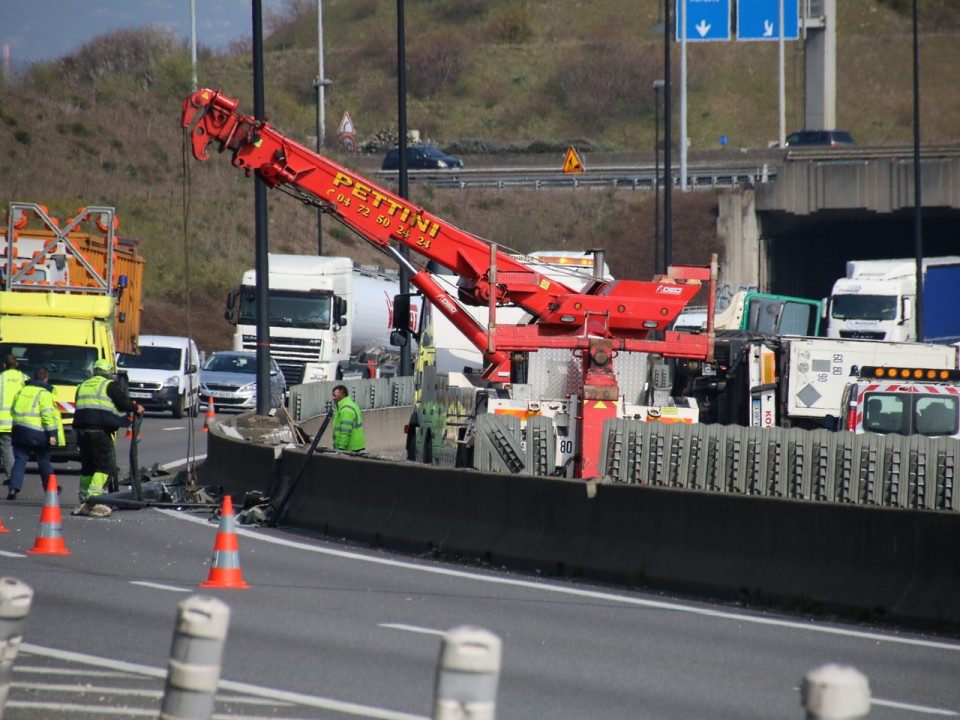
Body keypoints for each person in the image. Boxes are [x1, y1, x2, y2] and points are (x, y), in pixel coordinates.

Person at [73, 358, 144, 504]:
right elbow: (123, 402)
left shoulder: (82, 385)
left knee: (87, 466)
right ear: (109, 373)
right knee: (104, 466)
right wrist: (136, 408)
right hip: (99, 432)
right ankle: (93, 496)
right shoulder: (109, 385)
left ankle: (83, 495)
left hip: (81, 432)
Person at [7, 367, 63, 500]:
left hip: (19, 430)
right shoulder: (44, 394)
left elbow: (13, 410)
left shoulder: (22, 391)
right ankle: (51, 489)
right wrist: (52, 434)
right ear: (46, 379)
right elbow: (47, 416)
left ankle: (13, 488)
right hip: (37, 432)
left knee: (20, 460)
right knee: (44, 461)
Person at [0, 354, 28, 486]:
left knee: (6, 448)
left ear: (4, 365)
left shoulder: (1, 378)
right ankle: (17, 475)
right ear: (17, 364)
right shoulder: (25, 379)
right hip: (22, 421)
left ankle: (12, 475)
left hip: (3, 421)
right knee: (20, 449)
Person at [331, 384, 365, 452]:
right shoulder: (348, 405)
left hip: (349, 448)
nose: (333, 398)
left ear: (342, 395)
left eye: (335, 395)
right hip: (353, 447)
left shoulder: (346, 409)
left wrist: (341, 448)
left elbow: (345, 431)